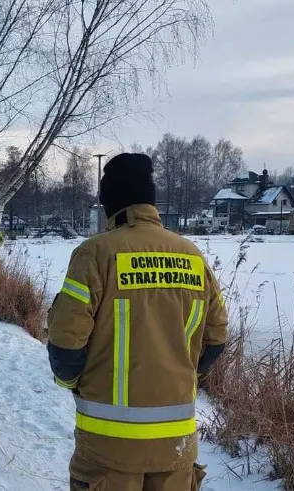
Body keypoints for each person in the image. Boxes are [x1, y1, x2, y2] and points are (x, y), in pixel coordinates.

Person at [46, 153, 228, 491]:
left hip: (107, 447)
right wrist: (181, 374)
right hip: (176, 445)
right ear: (151, 199)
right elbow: (216, 338)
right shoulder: (191, 256)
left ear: (108, 202)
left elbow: (64, 342)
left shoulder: (96, 254)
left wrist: (74, 383)